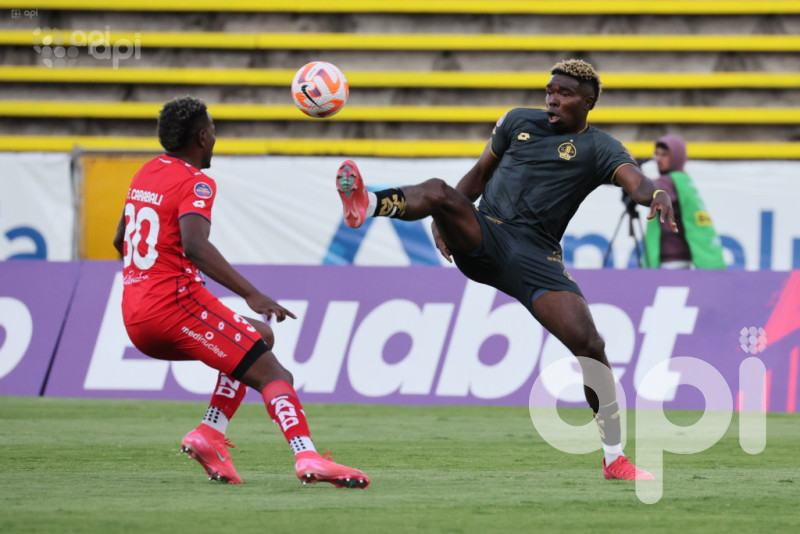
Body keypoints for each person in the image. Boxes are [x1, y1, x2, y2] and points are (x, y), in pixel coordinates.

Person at [335, 59, 677, 481]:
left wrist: (657, 193)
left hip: (537, 257)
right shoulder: (517, 122)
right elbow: (477, 177)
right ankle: (366, 203)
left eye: (565, 93)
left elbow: (636, 182)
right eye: (550, 90)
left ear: (587, 103)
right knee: (441, 190)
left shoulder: (601, 147)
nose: (552, 98)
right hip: (487, 235)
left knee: (591, 346)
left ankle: (614, 458)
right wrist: (445, 222)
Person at [113, 96, 368, 488]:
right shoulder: (195, 181)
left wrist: (147, 281)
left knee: (260, 336)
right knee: (274, 373)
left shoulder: (146, 172)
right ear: (201, 136)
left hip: (135, 313)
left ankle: (210, 434)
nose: (215, 136)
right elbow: (195, 246)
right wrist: (252, 294)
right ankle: (307, 457)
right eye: (212, 130)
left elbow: (119, 240)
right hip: (176, 308)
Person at [644, 134, 726, 269]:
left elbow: (644, 188)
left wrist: (626, 170)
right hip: (683, 261)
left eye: (664, 155)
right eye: (656, 154)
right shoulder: (684, 181)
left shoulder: (670, 181)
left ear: (677, 157)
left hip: (670, 263)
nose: (658, 159)